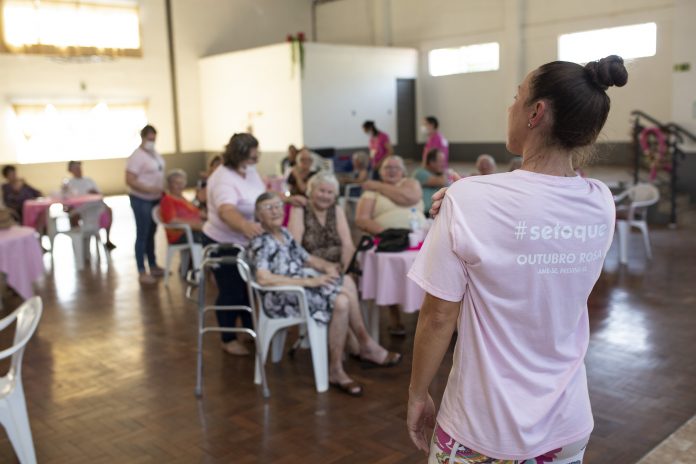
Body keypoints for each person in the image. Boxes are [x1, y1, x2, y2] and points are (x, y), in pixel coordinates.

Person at [406, 55, 628, 463]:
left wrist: (418, 394)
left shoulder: (469, 199)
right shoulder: (601, 202)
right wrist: (469, 198)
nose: (510, 107)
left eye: (516, 97)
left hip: (483, 429)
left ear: (536, 112)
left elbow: (438, 317)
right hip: (567, 426)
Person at [251, 191, 401, 397]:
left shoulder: (284, 234)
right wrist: (310, 281)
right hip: (284, 298)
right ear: (258, 215)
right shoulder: (261, 242)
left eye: (278, 206)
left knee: (343, 291)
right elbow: (263, 278)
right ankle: (359, 349)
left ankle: (343, 362)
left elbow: (307, 259)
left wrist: (328, 267)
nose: (275, 211)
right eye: (268, 208)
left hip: (300, 292)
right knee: (343, 296)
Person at [202, 133, 265, 356]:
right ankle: (228, 338)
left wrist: (284, 200)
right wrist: (245, 225)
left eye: (256, 156)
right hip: (223, 241)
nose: (255, 160)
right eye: (251, 157)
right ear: (238, 155)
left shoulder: (249, 170)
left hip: (245, 241)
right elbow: (226, 210)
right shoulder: (223, 178)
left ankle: (249, 329)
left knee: (248, 289)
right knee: (231, 291)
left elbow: (260, 195)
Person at [355, 155, 426, 336]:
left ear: (403, 171)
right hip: (389, 242)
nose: (392, 170)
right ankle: (395, 316)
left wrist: (378, 185)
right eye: (387, 167)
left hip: (419, 240)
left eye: (396, 167)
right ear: (380, 172)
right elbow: (362, 219)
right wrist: (389, 234)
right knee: (391, 274)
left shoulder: (410, 184)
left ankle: (427, 316)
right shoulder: (370, 193)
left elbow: (409, 198)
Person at [126, 125, 165, 285]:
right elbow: (129, 180)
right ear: (142, 137)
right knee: (142, 233)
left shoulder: (154, 153)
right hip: (141, 199)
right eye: (149, 139)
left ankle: (153, 265)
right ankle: (142, 270)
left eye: (154, 139)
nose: (152, 141)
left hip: (155, 198)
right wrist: (148, 189)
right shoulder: (137, 156)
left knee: (151, 233)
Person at [65, 160, 116, 250]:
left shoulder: (88, 180)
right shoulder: (69, 183)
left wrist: (94, 193)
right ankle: (79, 243)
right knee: (73, 215)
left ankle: (108, 239)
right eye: (75, 168)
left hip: (93, 206)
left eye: (79, 168)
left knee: (108, 210)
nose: (78, 170)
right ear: (71, 170)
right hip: (79, 208)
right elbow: (67, 198)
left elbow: (100, 194)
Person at [160, 169, 204, 244]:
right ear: (169, 184)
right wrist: (197, 225)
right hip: (182, 234)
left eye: (182, 183)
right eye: (176, 183)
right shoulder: (168, 200)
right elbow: (172, 221)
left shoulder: (182, 198)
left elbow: (195, 212)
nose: (180, 186)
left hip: (193, 230)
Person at [412, 149, 460, 215]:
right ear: (432, 162)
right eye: (441, 161)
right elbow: (441, 182)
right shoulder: (420, 173)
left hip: (438, 212)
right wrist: (446, 172)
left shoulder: (438, 174)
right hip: (425, 214)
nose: (443, 164)